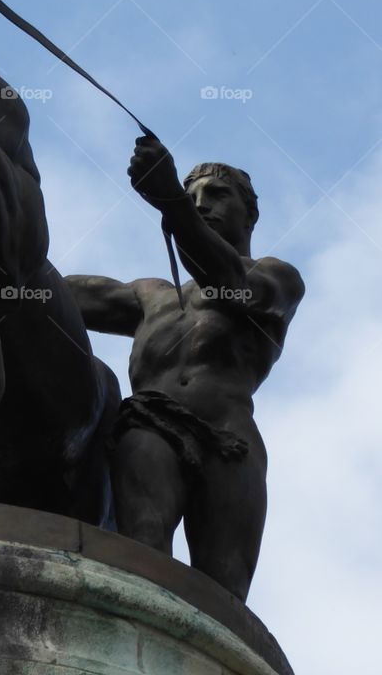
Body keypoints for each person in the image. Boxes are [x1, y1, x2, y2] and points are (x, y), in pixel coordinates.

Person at [66, 134, 304, 600]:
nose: (201, 203)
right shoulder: (149, 296)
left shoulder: (278, 277)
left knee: (225, 592)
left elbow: (227, 280)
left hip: (230, 437)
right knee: (143, 552)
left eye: (217, 194)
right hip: (151, 423)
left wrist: (172, 201)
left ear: (249, 213)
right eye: (192, 194)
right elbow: (48, 289)